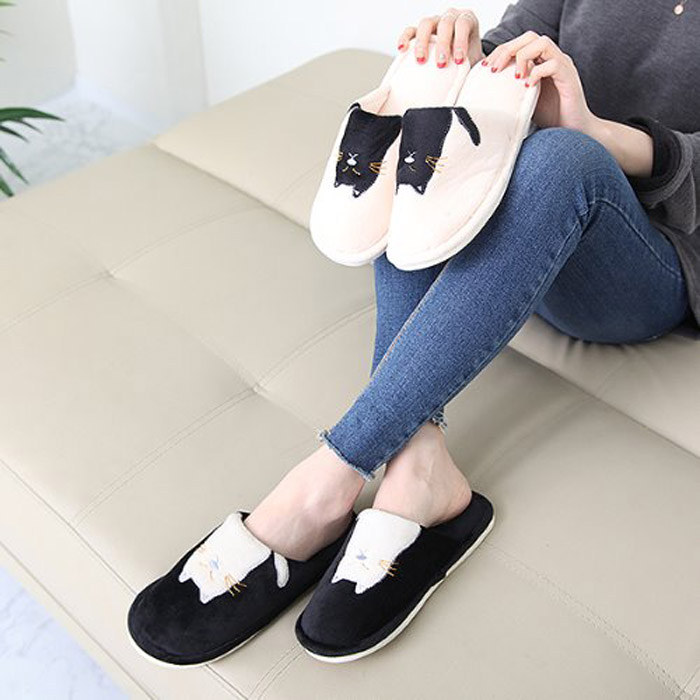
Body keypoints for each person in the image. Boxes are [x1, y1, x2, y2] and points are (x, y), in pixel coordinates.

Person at [242, 1, 700, 563]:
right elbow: (520, 44)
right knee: (428, 117)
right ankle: (418, 466)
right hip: (527, 212)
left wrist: (594, 131)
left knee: (564, 157)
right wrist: (467, 55)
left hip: (648, 264)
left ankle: (328, 479)